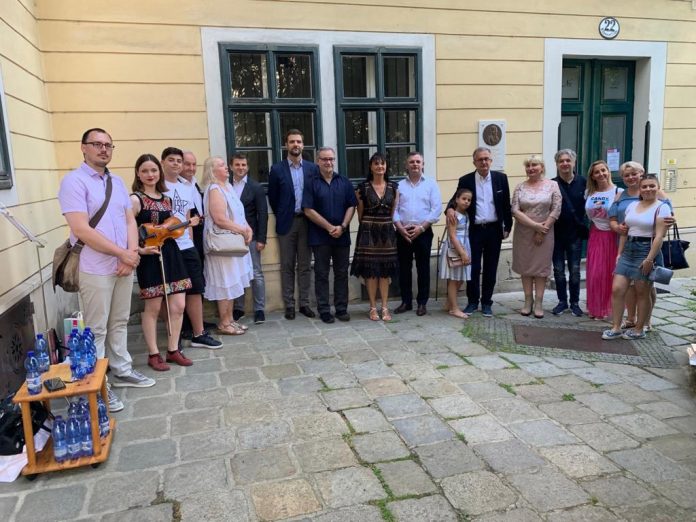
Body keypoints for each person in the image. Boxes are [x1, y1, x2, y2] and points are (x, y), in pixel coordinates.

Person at [58, 128, 155, 413]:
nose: (103, 149)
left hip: (123, 264)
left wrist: (131, 254)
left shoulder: (117, 181)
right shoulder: (74, 182)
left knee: (120, 321)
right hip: (94, 267)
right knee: (96, 329)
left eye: (108, 145)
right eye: (97, 144)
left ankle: (122, 369)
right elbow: (81, 229)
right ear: (83, 147)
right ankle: (98, 384)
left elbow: (129, 221)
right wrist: (122, 253)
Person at [130, 154, 193, 371]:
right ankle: (153, 353)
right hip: (149, 256)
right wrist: (139, 249)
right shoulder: (135, 200)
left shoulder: (167, 199)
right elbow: (126, 230)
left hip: (170, 253)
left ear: (159, 172)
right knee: (153, 307)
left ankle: (173, 350)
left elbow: (170, 228)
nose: (150, 175)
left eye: (154, 170)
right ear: (138, 174)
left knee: (178, 305)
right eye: (145, 171)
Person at [161, 147, 223, 349]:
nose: (176, 164)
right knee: (169, 293)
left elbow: (187, 217)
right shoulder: (158, 187)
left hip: (187, 246)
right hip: (167, 247)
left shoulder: (186, 187)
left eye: (179, 161)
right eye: (172, 160)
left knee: (196, 289)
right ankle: (174, 337)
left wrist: (190, 243)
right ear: (163, 162)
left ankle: (199, 333)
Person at [603, 174, 671, 340]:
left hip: (646, 250)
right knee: (617, 289)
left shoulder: (662, 207)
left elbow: (659, 237)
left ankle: (639, 329)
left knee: (642, 292)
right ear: (640, 189)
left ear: (658, 187)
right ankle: (616, 327)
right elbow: (625, 231)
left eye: (652, 186)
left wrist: (649, 259)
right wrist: (619, 253)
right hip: (628, 250)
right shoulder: (632, 205)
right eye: (644, 186)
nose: (648, 189)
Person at [446, 147, 512, 317]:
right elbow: (454, 200)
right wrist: (450, 209)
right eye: (480, 159)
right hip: (474, 231)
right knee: (473, 268)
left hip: (494, 230)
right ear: (474, 162)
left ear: (491, 161)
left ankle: (487, 302)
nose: (484, 162)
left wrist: (507, 227)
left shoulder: (501, 178)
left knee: (491, 267)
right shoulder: (466, 180)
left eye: (486, 159)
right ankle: (473, 301)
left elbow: (506, 204)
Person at [268, 129, 319, 320]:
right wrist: (283, 213)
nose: (295, 145)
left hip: (307, 222)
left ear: (303, 145)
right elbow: (273, 197)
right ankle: (289, 304)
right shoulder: (277, 169)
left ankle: (304, 303)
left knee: (305, 265)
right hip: (286, 223)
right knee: (287, 265)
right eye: (292, 142)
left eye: (298, 141)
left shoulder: (312, 169)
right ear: (286, 145)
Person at [303, 147, 357, 323]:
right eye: (325, 159)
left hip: (342, 235)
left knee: (341, 273)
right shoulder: (311, 182)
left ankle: (341, 309)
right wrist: (329, 227)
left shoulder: (344, 182)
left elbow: (351, 205)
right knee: (321, 274)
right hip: (320, 237)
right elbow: (308, 210)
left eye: (331, 159)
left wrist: (342, 226)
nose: (328, 162)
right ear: (318, 161)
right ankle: (324, 310)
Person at [202, 156, 254, 334]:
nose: (226, 167)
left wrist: (248, 228)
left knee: (232, 281)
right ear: (212, 171)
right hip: (222, 245)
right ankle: (224, 323)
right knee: (225, 282)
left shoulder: (228, 187)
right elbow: (219, 219)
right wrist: (242, 230)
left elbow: (239, 214)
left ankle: (230, 320)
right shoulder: (214, 189)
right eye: (222, 165)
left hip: (232, 243)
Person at [511, 156, 562, 318]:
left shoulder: (552, 185)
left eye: (534, 165)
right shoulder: (520, 187)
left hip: (546, 231)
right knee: (525, 267)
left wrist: (541, 230)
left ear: (542, 167)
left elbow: (556, 209)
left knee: (541, 269)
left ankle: (539, 302)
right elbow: (515, 210)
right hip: (523, 232)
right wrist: (534, 226)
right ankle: (528, 300)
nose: (531, 168)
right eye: (528, 166)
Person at [351, 152, 399, 321]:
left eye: (382, 163)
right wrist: (371, 225)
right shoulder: (362, 188)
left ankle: (385, 307)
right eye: (376, 164)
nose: (380, 166)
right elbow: (360, 215)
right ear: (371, 167)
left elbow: (392, 212)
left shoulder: (393, 187)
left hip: (387, 233)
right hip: (368, 232)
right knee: (370, 271)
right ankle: (372, 307)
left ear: (386, 166)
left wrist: (384, 224)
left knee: (385, 272)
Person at [393, 151, 442, 316]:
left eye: (418, 161)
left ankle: (422, 303)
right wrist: (400, 228)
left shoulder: (431, 184)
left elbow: (436, 209)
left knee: (423, 268)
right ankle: (406, 302)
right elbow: (394, 209)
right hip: (403, 232)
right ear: (406, 165)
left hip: (424, 232)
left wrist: (421, 228)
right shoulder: (399, 186)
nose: (415, 164)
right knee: (404, 268)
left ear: (423, 164)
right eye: (411, 162)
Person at [231, 154, 269, 325]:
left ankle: (259, 309)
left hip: (251, 237)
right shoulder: (226, 186)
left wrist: (261, 239)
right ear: (231, 167)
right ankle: (238, 308)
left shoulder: (256, 187)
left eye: (243, 165)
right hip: (231, 237)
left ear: (247, 167)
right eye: (237, 164)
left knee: (256, 273)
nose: (241, 167)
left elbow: (263, 214)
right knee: (236, 273)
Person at [585, 160, 622, 320]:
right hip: (596, 234)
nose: (601, 174)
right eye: (597, 172)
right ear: (592, 176)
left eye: (603, 170)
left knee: (611, 274)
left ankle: (611, 308)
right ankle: (596, 308)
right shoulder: (589, 193)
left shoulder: (619, 192)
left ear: (608, 171)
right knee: (596, 274)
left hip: (613, 236)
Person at [551, 149, 586, 317]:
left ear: (574, 162)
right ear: (557, 164)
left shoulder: (584, 182)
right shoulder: (551, 184)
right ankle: (562, 301)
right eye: (561, 161)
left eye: (568, 160)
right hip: (556, 234)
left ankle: (575, 303)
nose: (565, 164)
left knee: (575, 271)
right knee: (558, 270)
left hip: (575, 234)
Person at [438, 187, 472, 318]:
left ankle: (449, 303)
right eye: (464, 199)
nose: (466, 202)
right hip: (455, 248)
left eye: (469, 200)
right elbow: (452, 236)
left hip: (464, 246)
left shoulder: (466, 214)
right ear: (456, 199)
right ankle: (454, 308)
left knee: (461, 278)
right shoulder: (453, 215)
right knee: (453, 279)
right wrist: (462, 253)